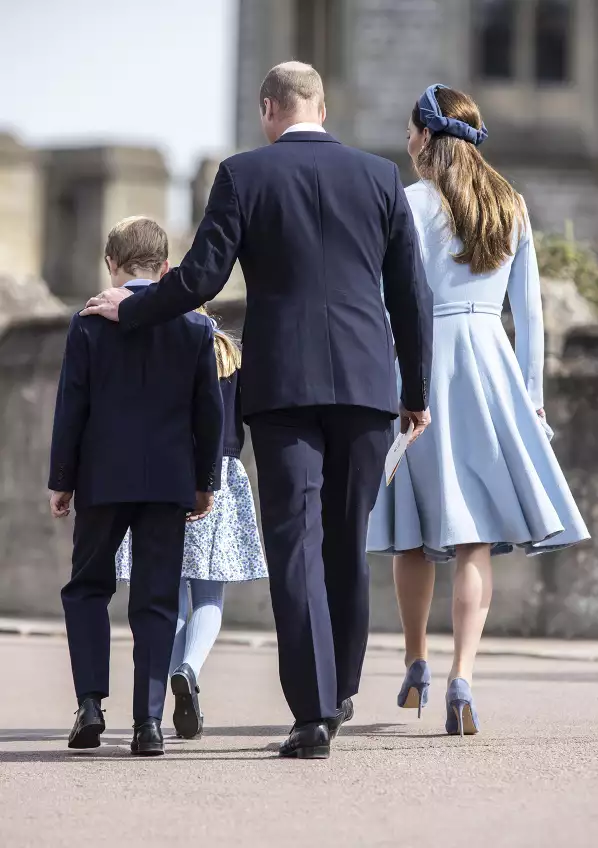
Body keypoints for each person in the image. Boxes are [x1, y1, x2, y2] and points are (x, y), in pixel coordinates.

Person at [80, 62, 434, 760]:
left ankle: (311, 715)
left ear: (269, 108)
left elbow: (203, 277)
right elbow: (412, 297)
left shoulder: (244, 175)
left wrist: (135, 306)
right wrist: (415, 393)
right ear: (323, 108)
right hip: (367, 386)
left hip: (284, 390)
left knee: (295, 544)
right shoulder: (381, 177)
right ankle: (338, 695)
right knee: (344, 543)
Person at [367, 84, 590, 736]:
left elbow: (386, 305)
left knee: (410, 530)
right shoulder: (510, 204)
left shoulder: (404, 204)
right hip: (490, 367)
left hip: (421, 369)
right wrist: (532, 401)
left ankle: (415, 661)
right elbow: (534, 318)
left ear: (425, 136)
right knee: (474, 539)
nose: (407, 142)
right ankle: (463, 675)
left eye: (411, 130)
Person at [49, 217, 223, 756]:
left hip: (103, 478)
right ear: (166, 266)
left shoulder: (89, 324)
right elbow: (208, 415)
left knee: (87, 588)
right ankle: (147, 723)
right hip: (168, 480)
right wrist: (205, 481)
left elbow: (71, 407)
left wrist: (62, 480)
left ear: (111, 264)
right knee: (155, 599)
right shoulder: (196, 328)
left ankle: (90, 706)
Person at [115, 307, 267, 739]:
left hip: (172, 472)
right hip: (222, 475)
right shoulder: (230, 356)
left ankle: (173, 690)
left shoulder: (169, 350)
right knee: (209, 595)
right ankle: (189, 670)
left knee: (172, 594)